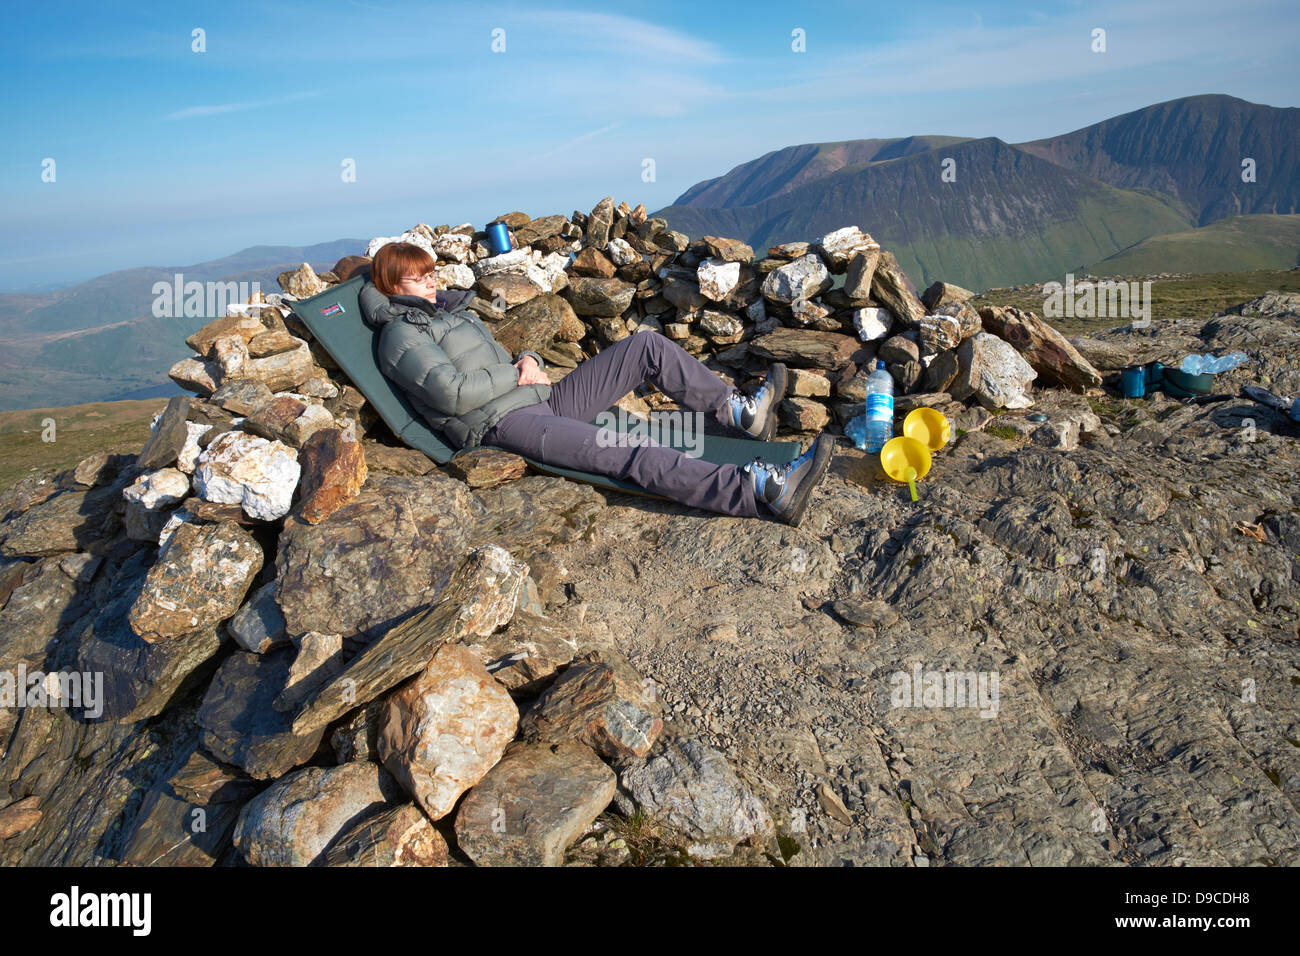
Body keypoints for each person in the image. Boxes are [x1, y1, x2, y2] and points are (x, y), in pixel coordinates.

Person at [359, 241, 835, 526]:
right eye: (417, 278)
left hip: (542, 397)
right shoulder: (399, 336)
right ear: (390, 285)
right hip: (503, 425)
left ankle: (737, 413)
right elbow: (452, 394)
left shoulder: (446, 313)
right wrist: (516, 372)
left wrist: (524, 357)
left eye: (429, 273)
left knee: (645, 347)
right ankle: (757, 490)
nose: (430, 281)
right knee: (628, 448)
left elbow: (497, 359)